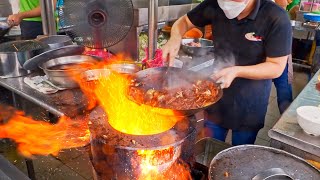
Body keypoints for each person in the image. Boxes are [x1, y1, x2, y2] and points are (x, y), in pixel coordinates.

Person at [162, 0, 292, 145]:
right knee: (208, 148)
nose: (226, 3)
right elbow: (184, 21)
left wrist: (236, 71)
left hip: (249, 104)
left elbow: (276, 67)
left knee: (239, 156)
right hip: (215, 97)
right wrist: (175, 37)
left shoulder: (276, 17)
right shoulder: (215, 4)